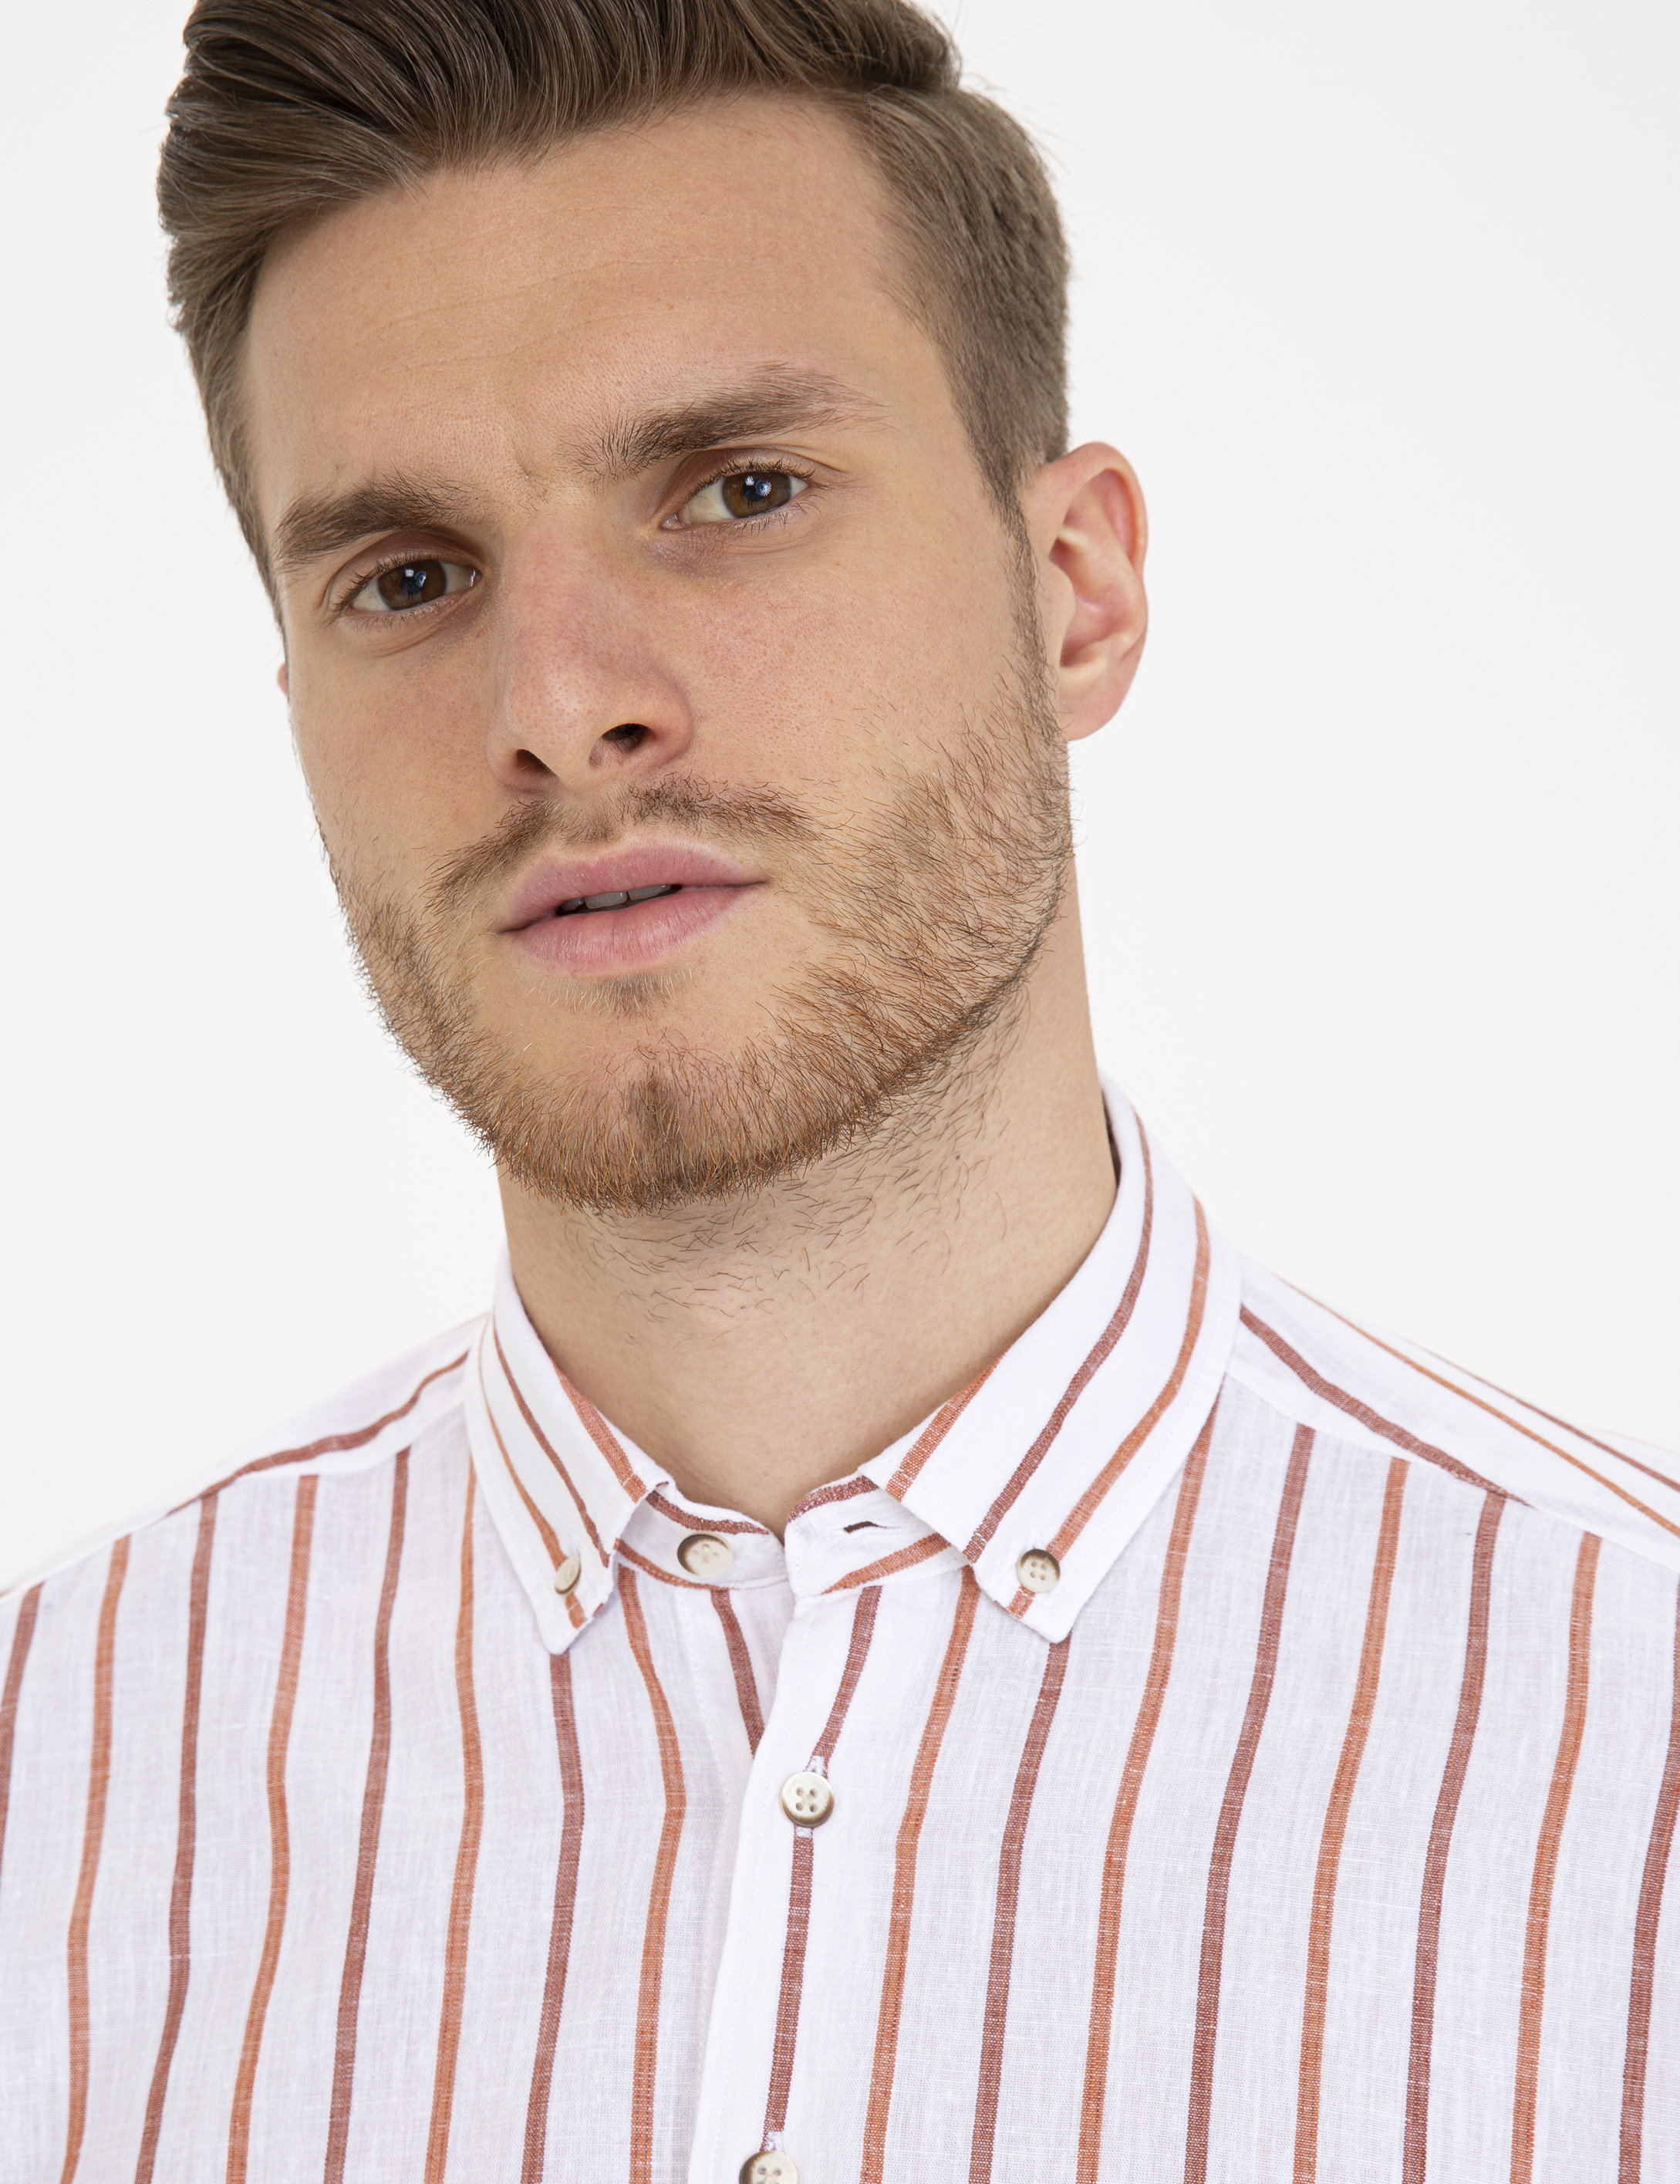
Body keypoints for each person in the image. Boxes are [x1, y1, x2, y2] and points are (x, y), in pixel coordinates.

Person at [2, 0, 1675, 2176]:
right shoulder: (48, 1772)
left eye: (740, 491)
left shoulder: (1635, 1742)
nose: (561, 704)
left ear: (1074, 594)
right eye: (407, 578)